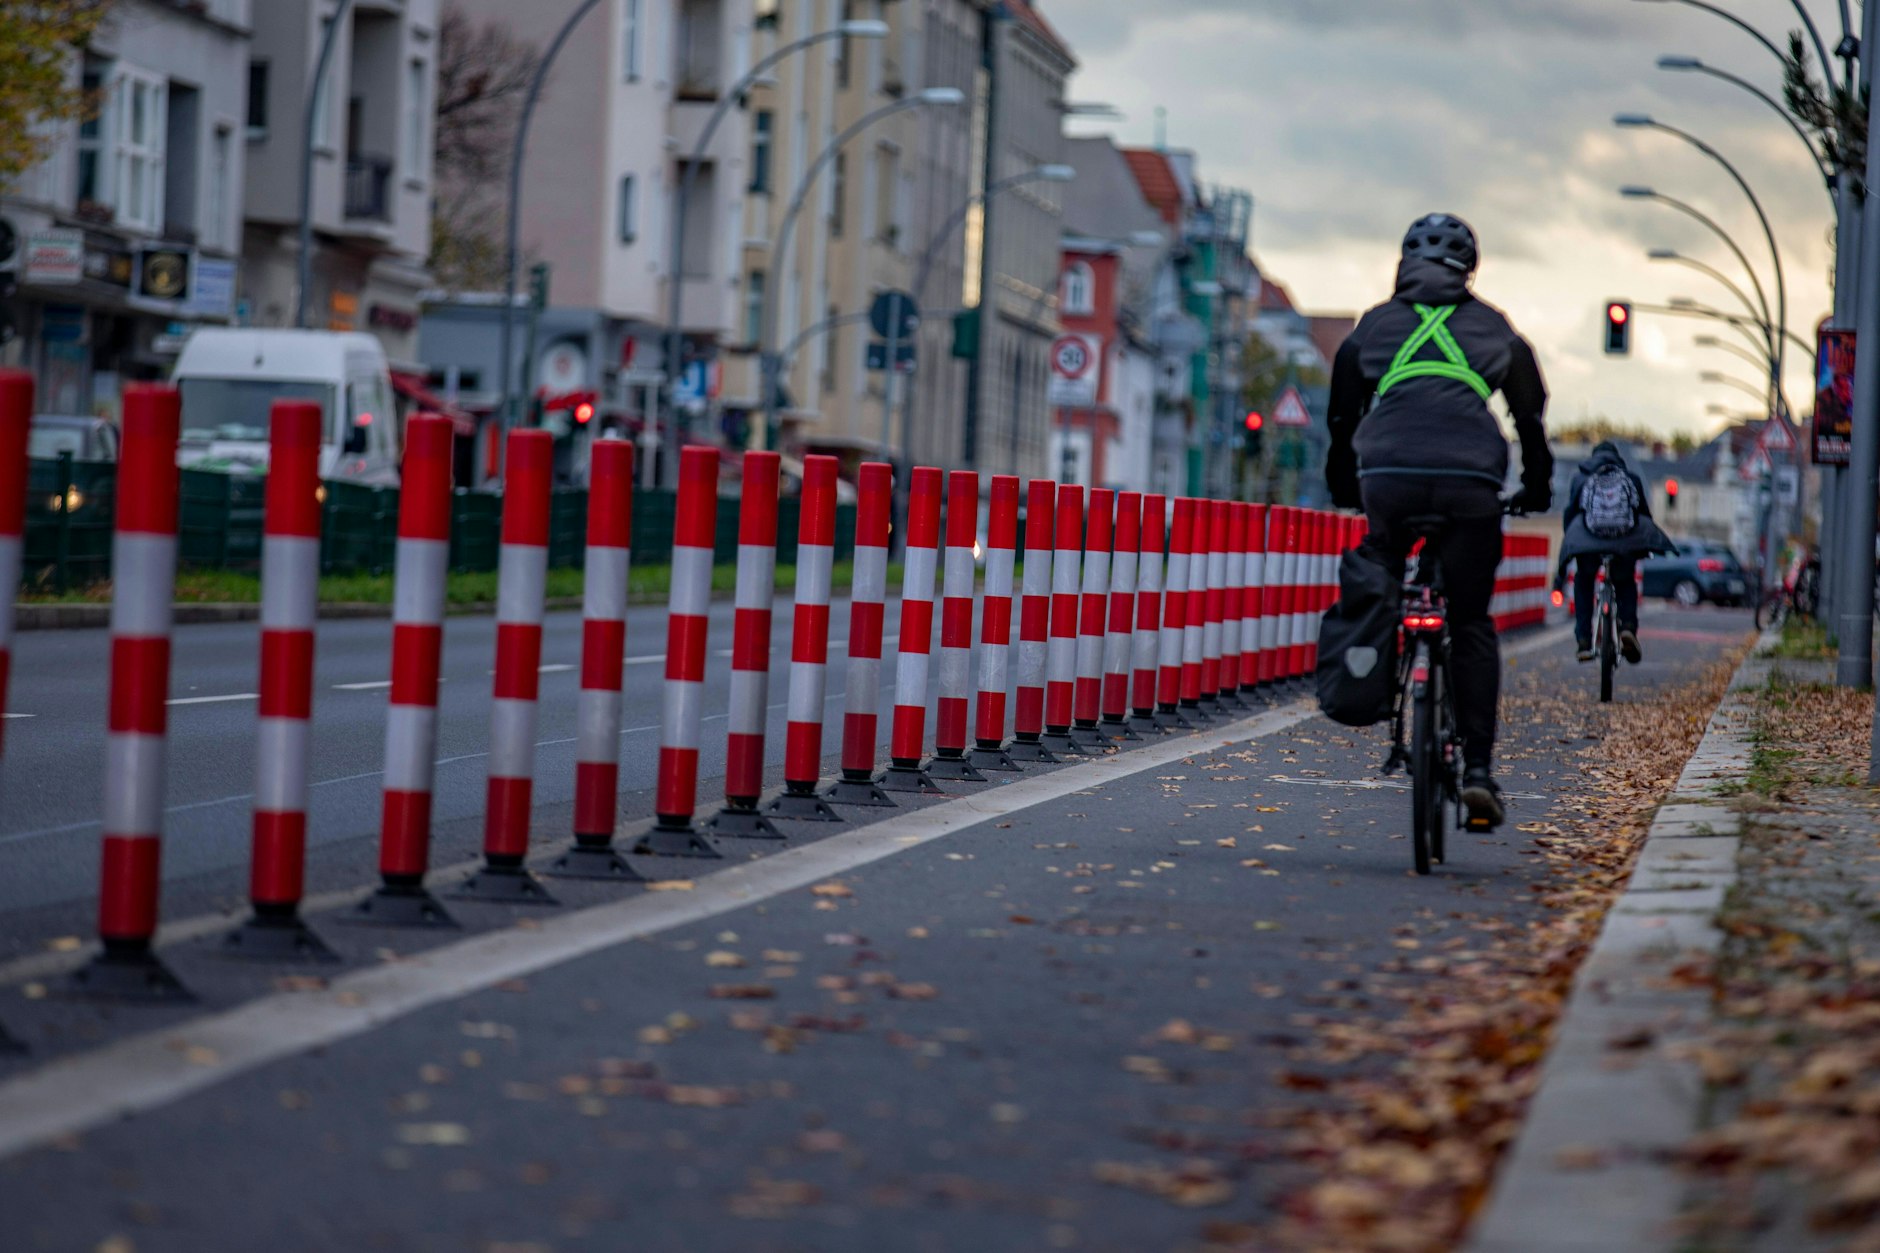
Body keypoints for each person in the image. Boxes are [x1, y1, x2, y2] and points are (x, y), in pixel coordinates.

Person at [1327, 213, 1553, 830]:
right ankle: (1477, 771)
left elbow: (1343, 419)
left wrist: (1346, 487)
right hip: (1470, 482)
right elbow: (1530, 419)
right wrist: (1536, 487)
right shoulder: (1496, 328)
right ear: (1469, 268)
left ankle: (1374, 677)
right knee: (1471, 620)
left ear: (1404, 262)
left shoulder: (1373, 326)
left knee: (1380, 576)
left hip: (1389, 478)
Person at [1556, 441, 1675, 661]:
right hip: (1623, 543)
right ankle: (1627, 627)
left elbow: (1570, 516)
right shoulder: (1631, 479)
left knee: (1584, 580)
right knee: (1625, 581)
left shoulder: (1580, 479)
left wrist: (1574, 543)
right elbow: (1643, 515)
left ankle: (1583, 639)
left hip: (1589, 543)